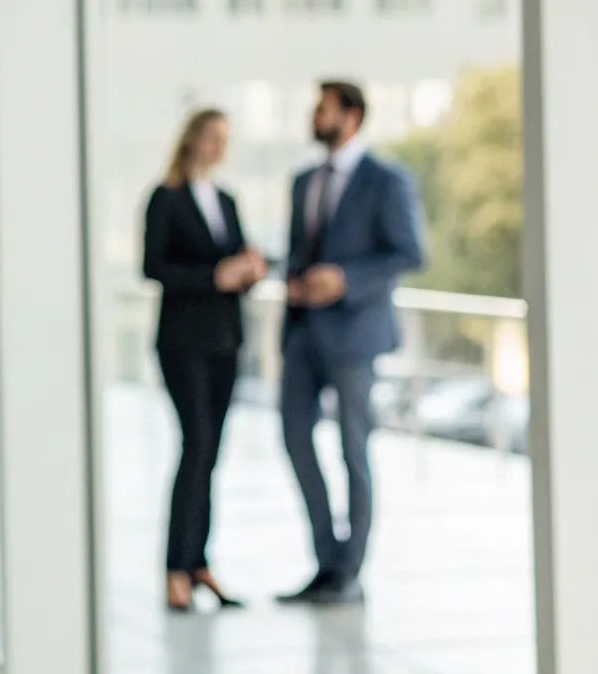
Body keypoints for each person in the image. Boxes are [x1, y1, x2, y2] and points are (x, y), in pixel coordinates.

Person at [276, 81, 425, 607]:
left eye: (323, 108)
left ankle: (351, 570)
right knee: (294, 438)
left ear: (352, 116)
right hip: (301, 332)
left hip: (355, 333)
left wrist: (346, 279)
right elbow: (299, 249)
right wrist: (289, 276)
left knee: (352, 449)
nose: (314, 116)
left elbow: (409, 252)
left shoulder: (385, 180)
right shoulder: (303, 181)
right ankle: (326, 560)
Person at [143, 109, 266, 612]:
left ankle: (199, 562)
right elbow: (153, 266)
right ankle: (175, 567)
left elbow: (234, 257)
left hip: (224, 341)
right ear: (191, 138)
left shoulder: (227, 199)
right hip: (182, 341)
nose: (218, 146)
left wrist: (251, 267)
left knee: (211, 452)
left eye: (225, 138)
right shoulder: (165, 199)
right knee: (194, 446)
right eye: (211, 137)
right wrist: (213, 276)